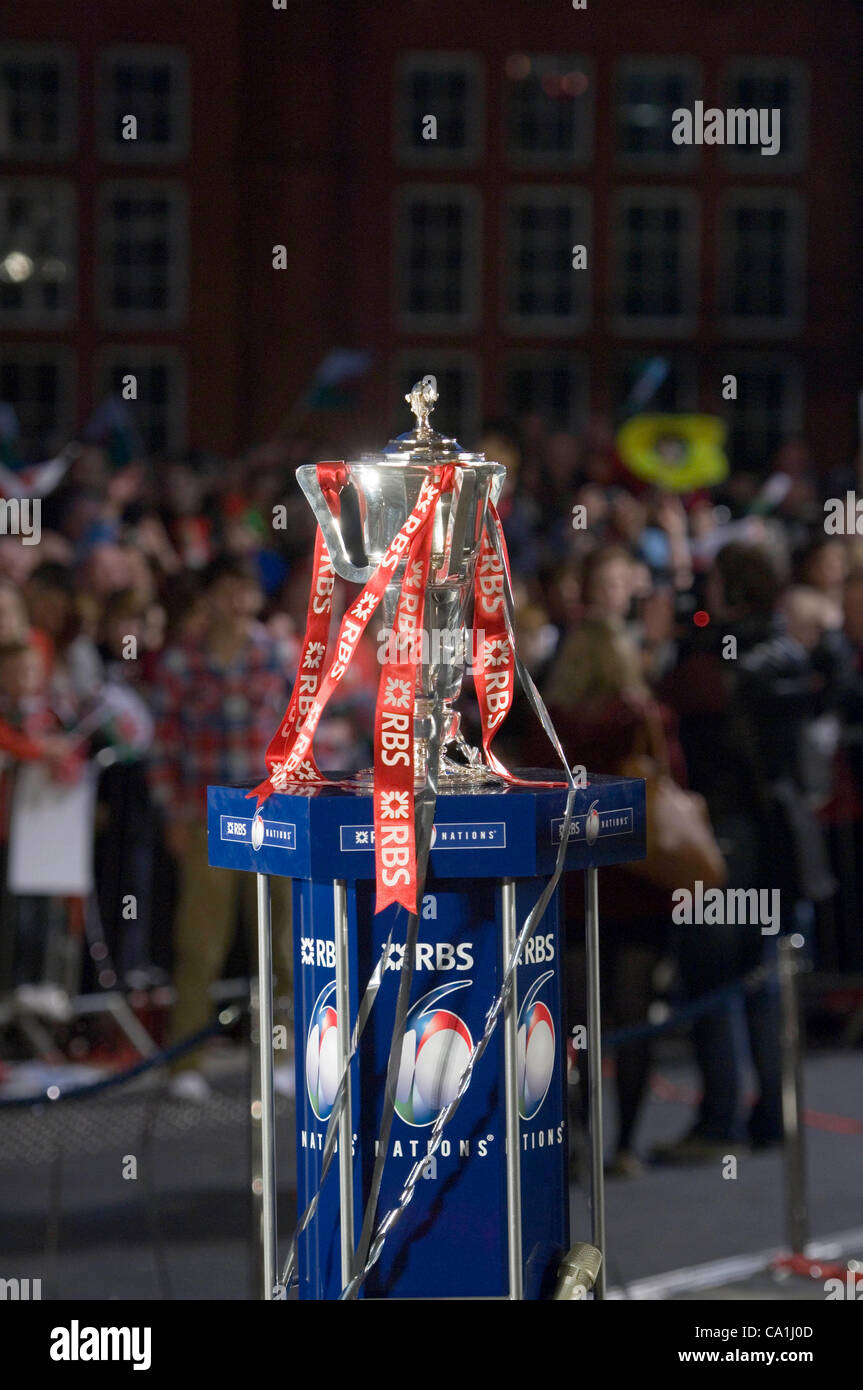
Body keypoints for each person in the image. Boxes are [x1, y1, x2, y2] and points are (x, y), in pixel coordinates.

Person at [538, 617, 687, 1173]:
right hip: (638, 886)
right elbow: (672, 782)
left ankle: (574, 1140)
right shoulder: (647, 717)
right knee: (630, 1020)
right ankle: (624, 1145)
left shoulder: (552, 727)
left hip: (575, 888)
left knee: (572, 1023)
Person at [148, 556, 294, 1100]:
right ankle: (185, 1063)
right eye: (228, 590)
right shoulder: (182, 662)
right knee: (200, 946)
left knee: (281, 944)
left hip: (272, 814)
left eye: (246, 591)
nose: (238, 601)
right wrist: (174, 812)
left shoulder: (276, 653)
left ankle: (282, 1053)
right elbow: (163, 744)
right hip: (208, 815)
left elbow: (298, 730)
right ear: (209, 597)